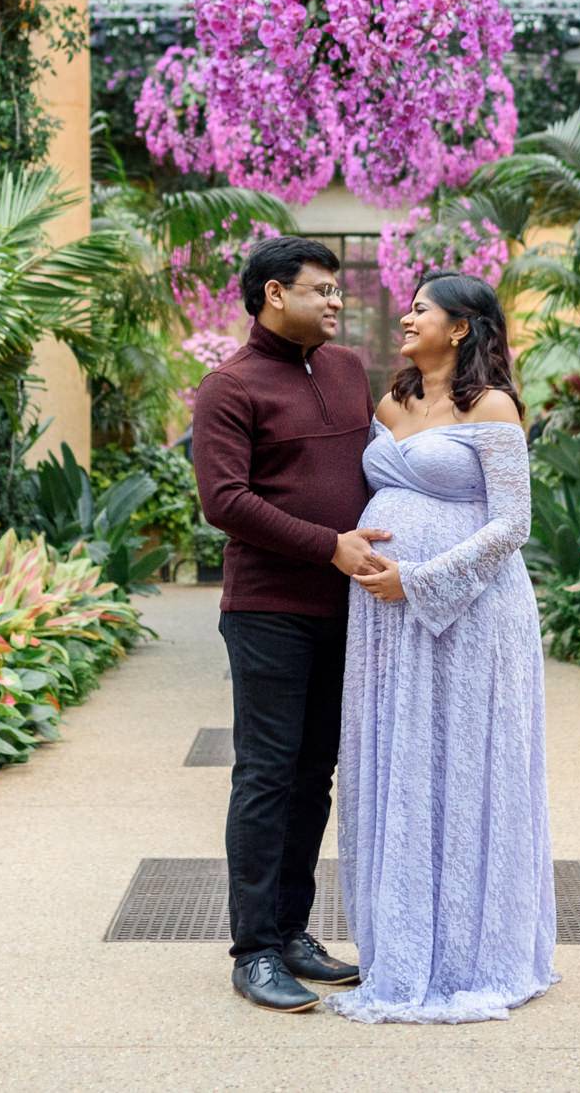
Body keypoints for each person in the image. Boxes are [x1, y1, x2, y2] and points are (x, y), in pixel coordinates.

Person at [331, 271, 556, 1023]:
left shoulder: (491, 406)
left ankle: (466, 951)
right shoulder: (389, 401)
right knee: (398, 757)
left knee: (461, 761)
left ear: (461, 328)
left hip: (469, 611)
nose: (405, 314)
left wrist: (421, 578)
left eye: (421, 307)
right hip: (385, 621)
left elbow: (512, 523)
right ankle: (396, 940)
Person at [190, 235, 391, 1014]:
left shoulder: (346, 371)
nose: (337, 300)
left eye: (338, 289)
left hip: (349, 609)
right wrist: (327, 545)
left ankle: (295, 929)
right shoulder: (229, 386)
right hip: (268, 607)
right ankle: (255, 950)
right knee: (267, 774)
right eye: (321, 289)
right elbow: (225, 502)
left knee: (316, 774)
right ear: (275, 293)